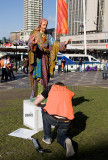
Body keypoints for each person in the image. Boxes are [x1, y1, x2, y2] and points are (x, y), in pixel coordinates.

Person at [28, 18, 71, 101]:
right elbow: (30, 42)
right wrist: (32, 43)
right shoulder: (34, 34)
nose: (45, 26)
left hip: (46, 59)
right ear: (40, 25)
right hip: (38, 59)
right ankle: (38, 95)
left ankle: (44, 95)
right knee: (39, 77)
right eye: (44, 25)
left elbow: (55, 44)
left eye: (46, 25)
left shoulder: (48, 36)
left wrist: (64, 43)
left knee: (45, 77)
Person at [34, 82, 75, 158]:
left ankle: (47, 137)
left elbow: (36, 102)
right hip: (66, 120)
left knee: (44, 108)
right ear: (64, 87)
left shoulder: (50, 88)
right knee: (61, 138)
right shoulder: (69, 92)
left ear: (56, 85)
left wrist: (41, 105)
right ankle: (66, 141)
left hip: (52, 118)